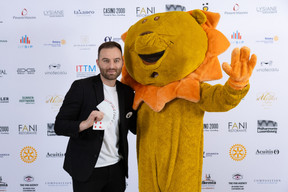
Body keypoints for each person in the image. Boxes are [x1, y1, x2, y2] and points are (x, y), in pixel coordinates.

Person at [54, 41, 137, 192]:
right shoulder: (81, 87)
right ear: (98, 63)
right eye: (106, 60)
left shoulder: (127, 92)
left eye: (116, 60)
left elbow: (136, 128)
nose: (111, 66)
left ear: (122, 62)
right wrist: (85, 124)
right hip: (87, 170)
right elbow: (59, 125)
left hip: (117, 169)